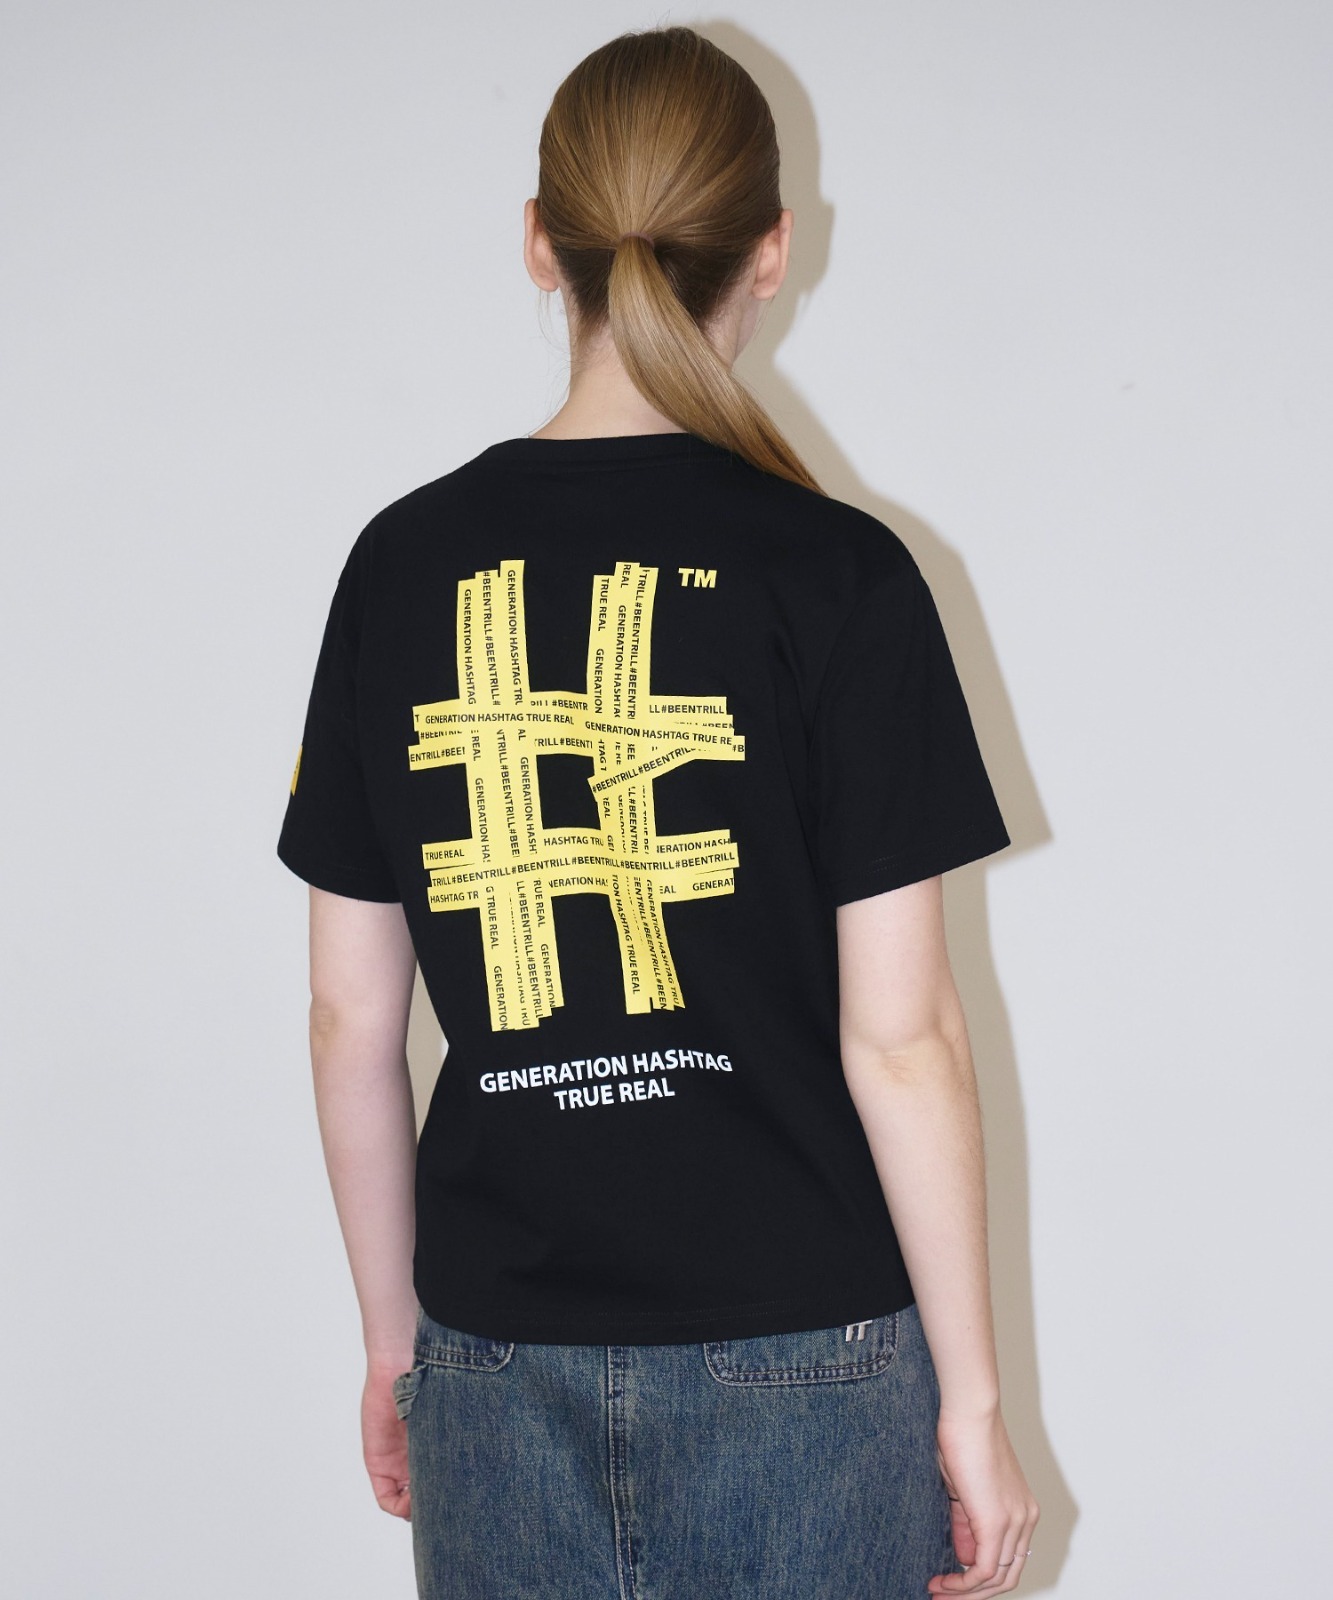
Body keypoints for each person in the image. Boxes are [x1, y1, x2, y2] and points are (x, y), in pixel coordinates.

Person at [277, 24, 1039, 1600]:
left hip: (491, 1359)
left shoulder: (399, 568)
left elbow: (350, 1022)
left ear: (536, 243)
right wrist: (970, 1405)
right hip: (807, 1355)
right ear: (767, 250)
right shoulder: (839, 575)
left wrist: (393, 1346)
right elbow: (902, 1038)